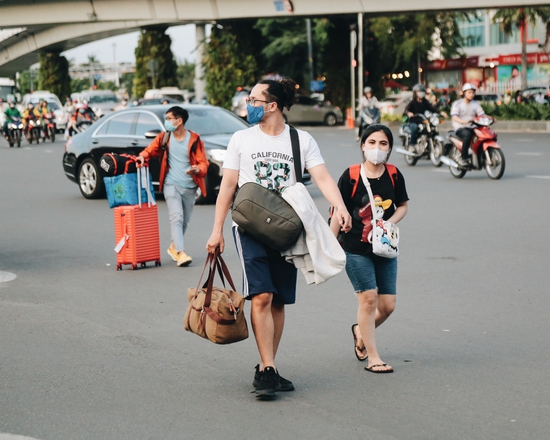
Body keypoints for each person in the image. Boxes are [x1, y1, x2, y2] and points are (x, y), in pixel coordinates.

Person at [205, 78, 352, 400]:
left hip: (286, 228)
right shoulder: (241, 139)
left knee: (280, 300)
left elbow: (323, 177)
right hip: (249, 227)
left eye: (255, 99)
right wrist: (217, 230)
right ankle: (268, 368)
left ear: (272, 105)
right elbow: (227, 186)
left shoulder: (300, 140)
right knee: (262, 296)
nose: (249, 104)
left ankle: (266, 366)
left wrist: (339, 207)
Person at [330, 124, 408, 374]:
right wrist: (330, 245)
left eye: (383, 144)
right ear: (363, 146)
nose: (377, 148)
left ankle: (360, 331)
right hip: (353, 246)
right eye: (372, 142)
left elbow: (403, 206)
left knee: (388, 306)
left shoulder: (394, 174)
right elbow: (337, 211)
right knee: (369, 299)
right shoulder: (351, 175)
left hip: (384, 246)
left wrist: (387, 224)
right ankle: (374, 357)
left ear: (389, 148)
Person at [136, 106, 209, 267]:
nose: (166, 121)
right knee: (177, 217)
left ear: (179, 120)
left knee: (185, 221)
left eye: (169, 118)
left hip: (190, 186)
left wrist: (197, 169)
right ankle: (181, 253)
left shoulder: (195, 140)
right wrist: (141, 157)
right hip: (171, 183)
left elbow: (203, 163)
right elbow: (150, 150)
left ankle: (174, 246)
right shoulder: (165, 137)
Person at [450, 83, 485, 167]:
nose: (471, 94)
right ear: (464, 93)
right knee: (468, 135)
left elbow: (482, 115)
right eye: (469, 92)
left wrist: (491, 118)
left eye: (473, 92)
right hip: (460, 128)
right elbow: (454, 116)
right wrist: (462, 121)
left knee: (483, 135)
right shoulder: (457, 103)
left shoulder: (475, 104)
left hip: (473, 126)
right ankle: (463, 157)